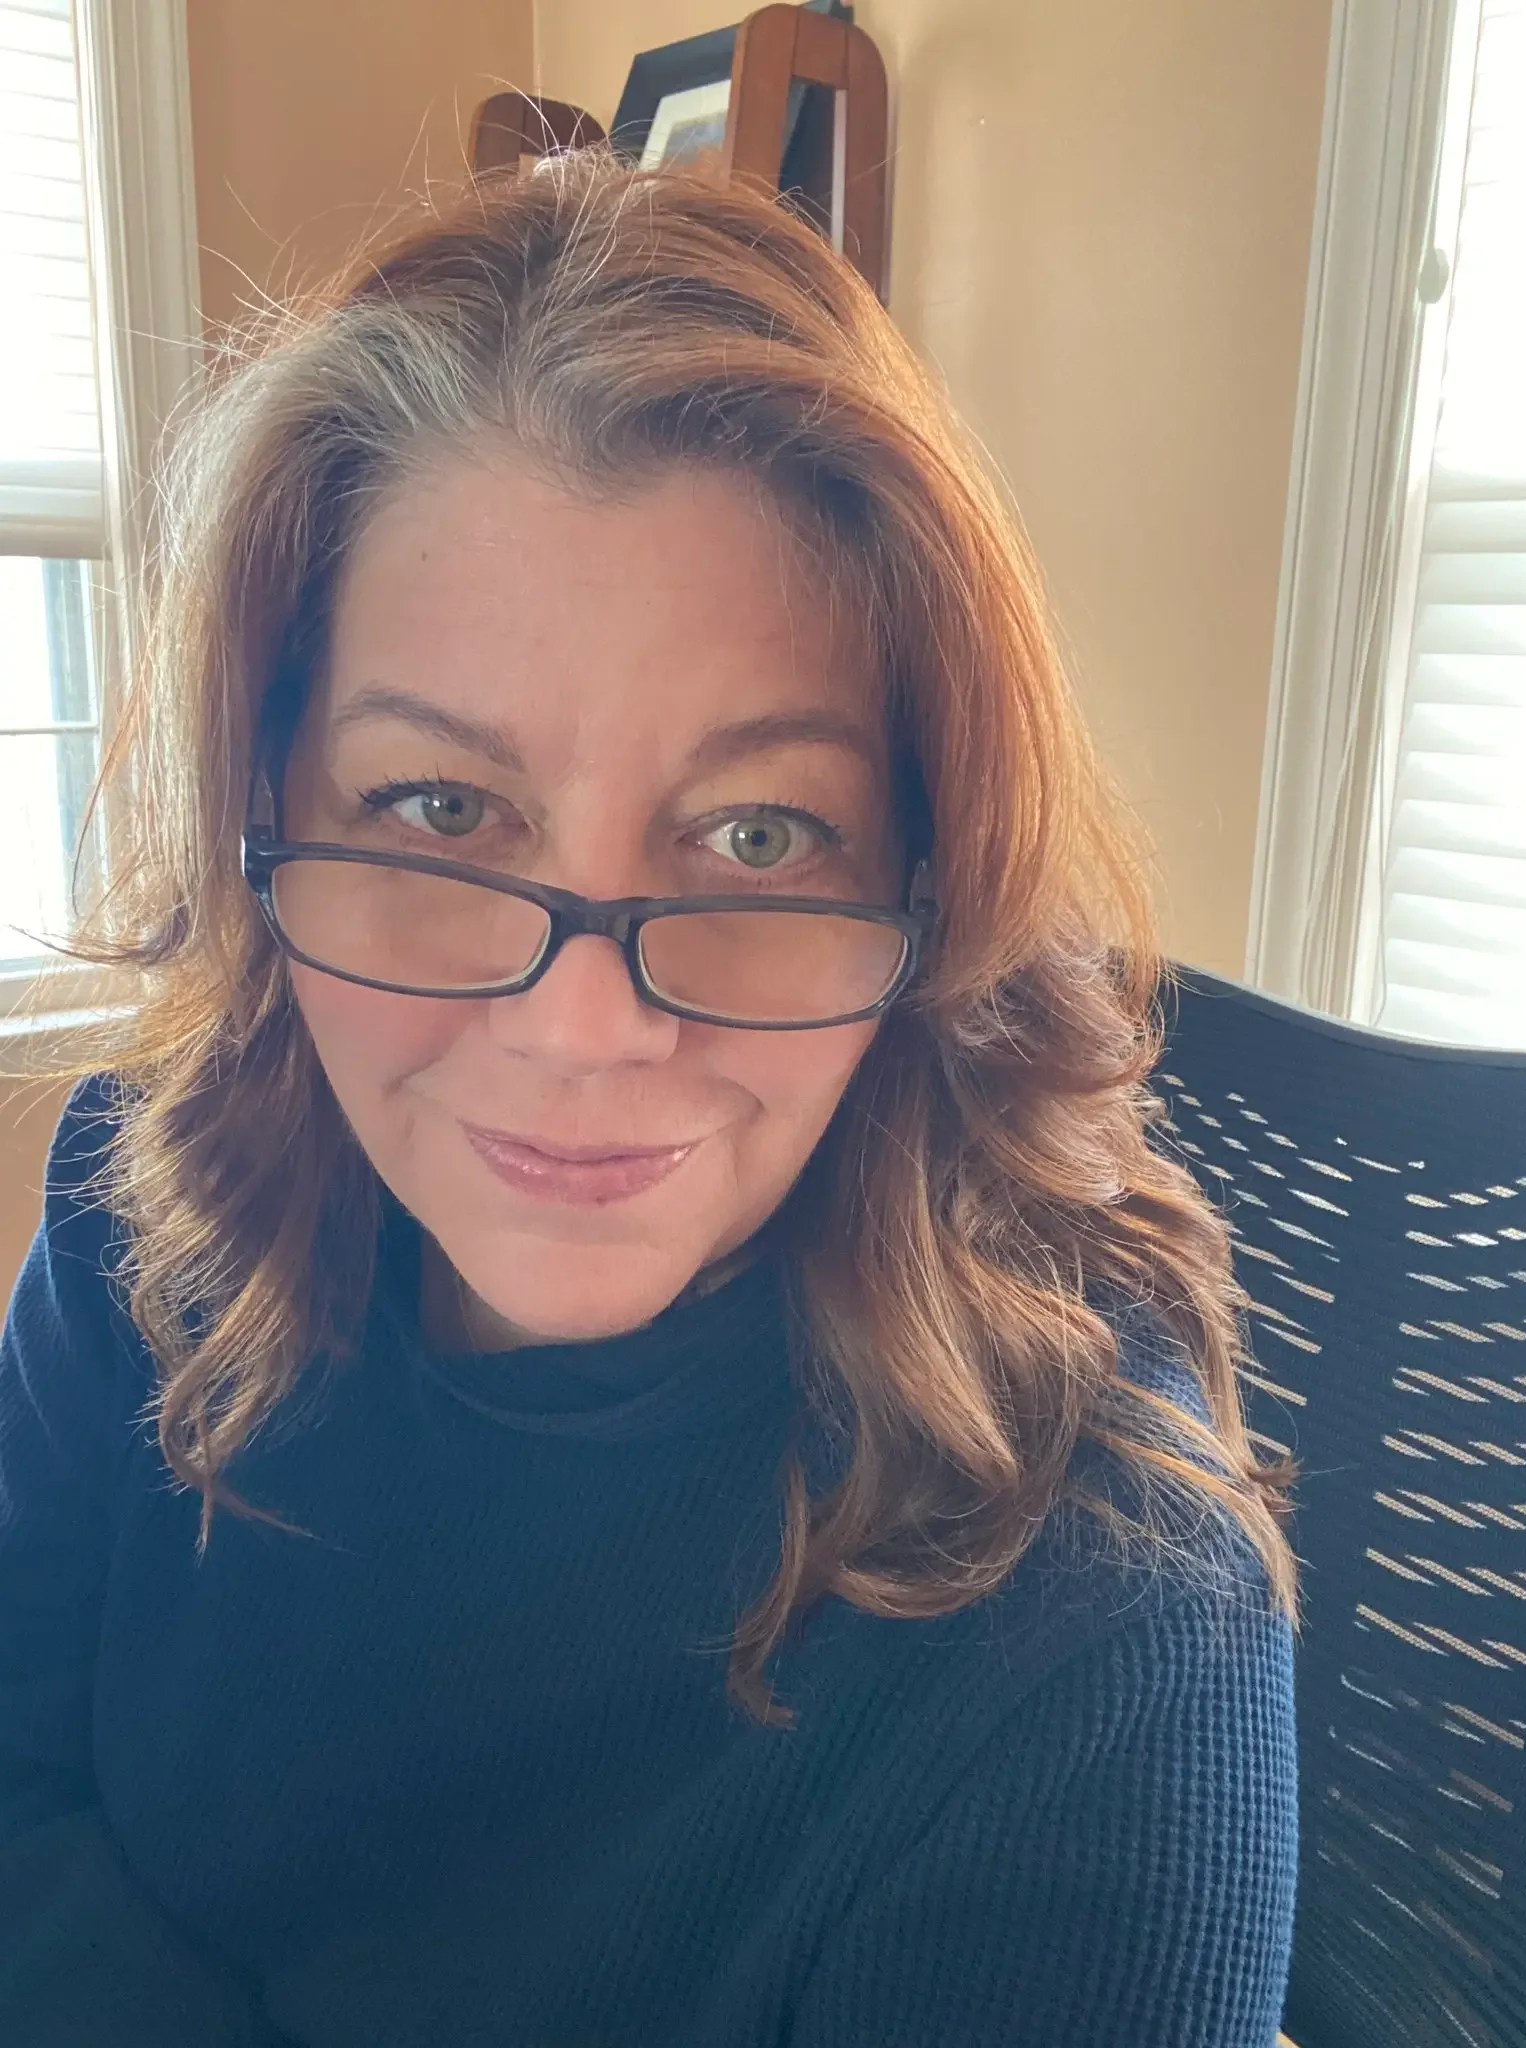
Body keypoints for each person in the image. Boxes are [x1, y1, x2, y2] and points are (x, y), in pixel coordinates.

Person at [0, 154, 1298, 2047]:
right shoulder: (146, 1211)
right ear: (264, 811)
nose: (586, 1030)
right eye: (440, 812)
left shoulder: (1098, 1622)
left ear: (931, 886)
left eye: (759, 835)